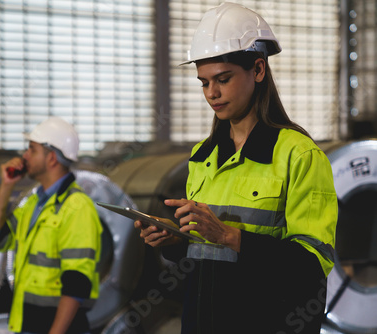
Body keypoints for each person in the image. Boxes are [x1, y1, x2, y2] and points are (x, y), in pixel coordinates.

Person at [135, 3, 337, 333]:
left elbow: (311, 269)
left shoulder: (298, 155)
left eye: (223, 79)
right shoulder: (203, 156)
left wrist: (231, 236)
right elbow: (206, 254)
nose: (211, 94)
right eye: (203, 83)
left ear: (258, 70)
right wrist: (174, 240)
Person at [0, 117, 103, 334]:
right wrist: (7, 186)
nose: (24, 156)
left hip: (58, 328)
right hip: (30, 322)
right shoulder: (35, 203)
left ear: (52, 158)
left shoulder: (77, 207)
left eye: (32, 150)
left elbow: (77, 282)